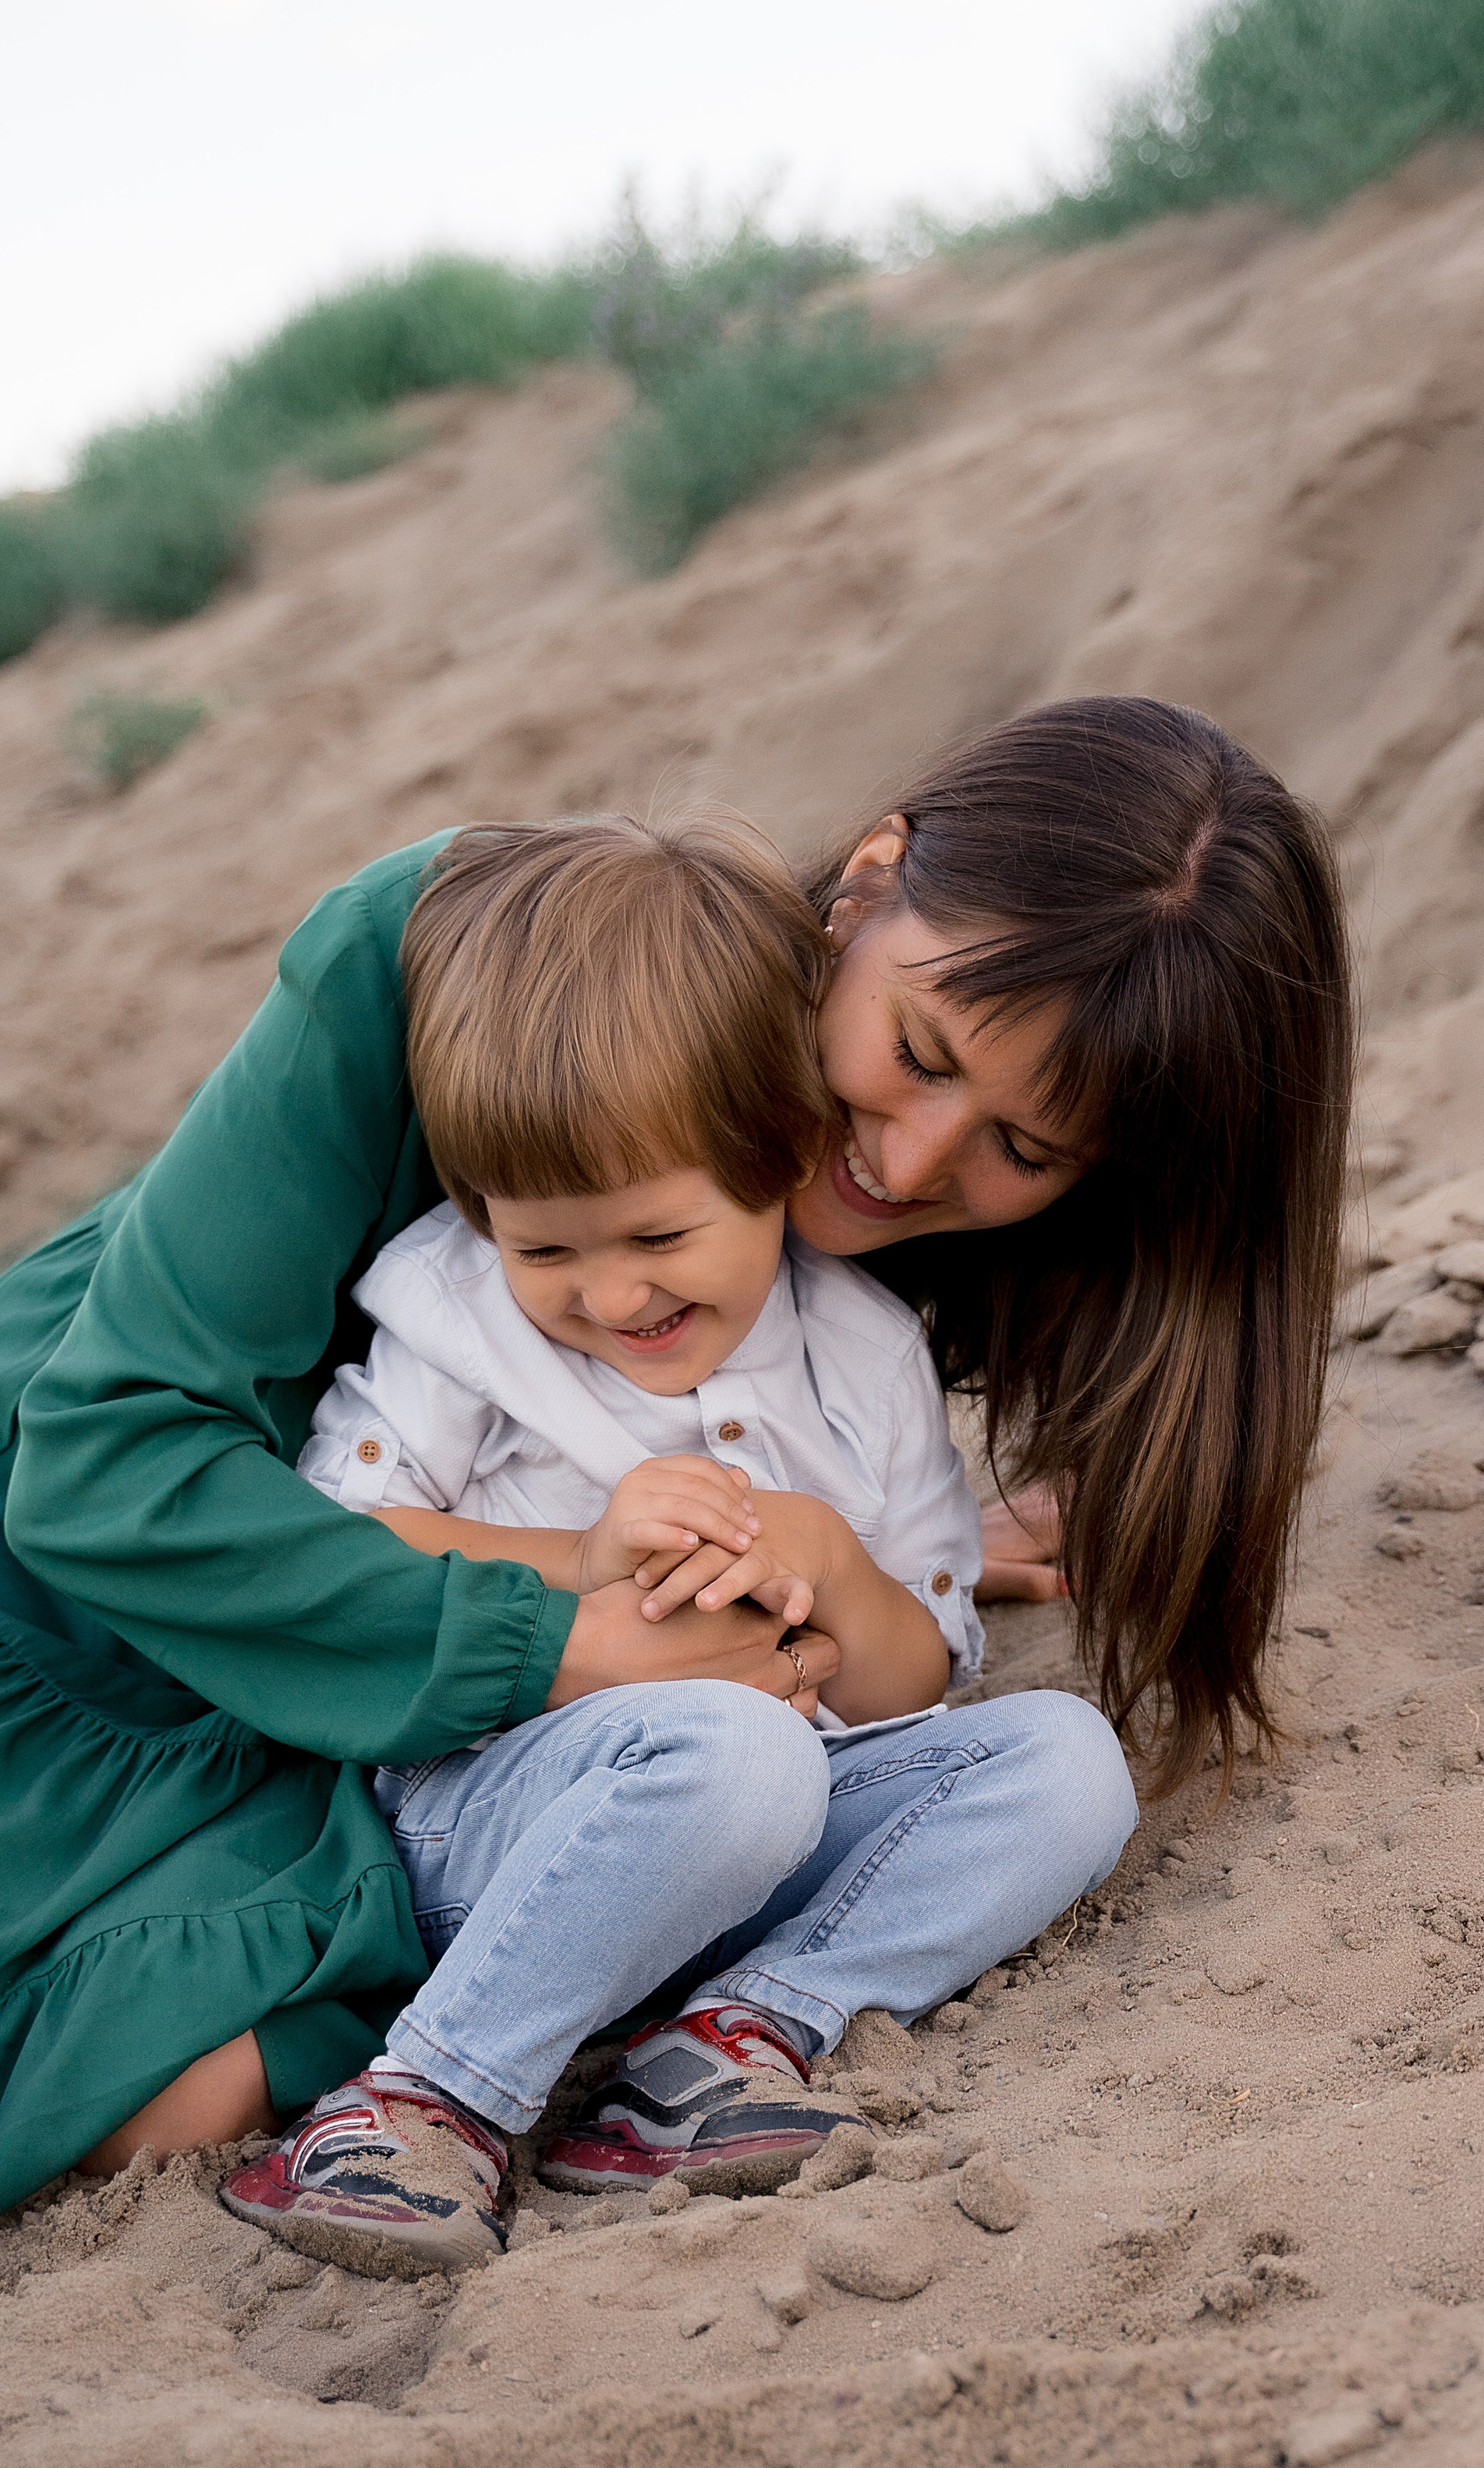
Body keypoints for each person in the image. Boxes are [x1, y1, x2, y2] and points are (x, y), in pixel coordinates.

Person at [0, 694, 1351, 2242]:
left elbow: (837, 1548)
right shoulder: (478, 957)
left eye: (1022, 1149)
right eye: (915, 1049)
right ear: (865, 881)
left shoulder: (867, 1275)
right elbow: (100, 1470)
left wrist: (869, 1567)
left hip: (410, 1672)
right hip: (78, 1588)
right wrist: (563, 1628)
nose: (907, 1160)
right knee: (182, 2084)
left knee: (784, 1802)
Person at [218, 814, 1132, 2272]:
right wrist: (578, 1555)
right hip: (502, 1808)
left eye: (658, 1237)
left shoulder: (863, 1357)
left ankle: (734, 2038)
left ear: (771, 1163)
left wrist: (833, 1564)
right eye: (545, 1250)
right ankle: (425, 2098)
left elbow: (919, 1680)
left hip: (785, 1804)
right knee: (737, 1755)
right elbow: (344, 1541)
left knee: (1067, 1765)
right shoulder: (457, 1317)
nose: (605, 1294)